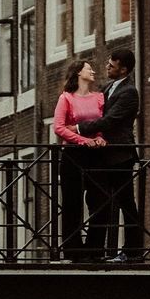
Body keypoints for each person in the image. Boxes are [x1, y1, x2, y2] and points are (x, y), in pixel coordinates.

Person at [91, 46, 142, 261]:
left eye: (111, 65)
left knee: (126, 201)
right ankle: (96, 250)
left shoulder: (129, 92)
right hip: (104, 154)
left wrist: (79, 128)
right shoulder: (108, 87)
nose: (107, 67)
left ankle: (132, 251)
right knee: (99, 201)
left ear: (124, 70)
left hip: (120, 154)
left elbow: (110, 120)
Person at [52, 59, 105, 260]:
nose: (93, 72)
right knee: (72, 202)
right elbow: (59, 128)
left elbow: (102, 123)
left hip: (96, 155)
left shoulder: (99, 98)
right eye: (89, 69)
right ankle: (73, 250)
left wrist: (100, 137)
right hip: (73, 155)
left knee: (100, 200)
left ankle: (95, 248)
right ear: (78, 73)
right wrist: (83, 140)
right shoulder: (66, 98)